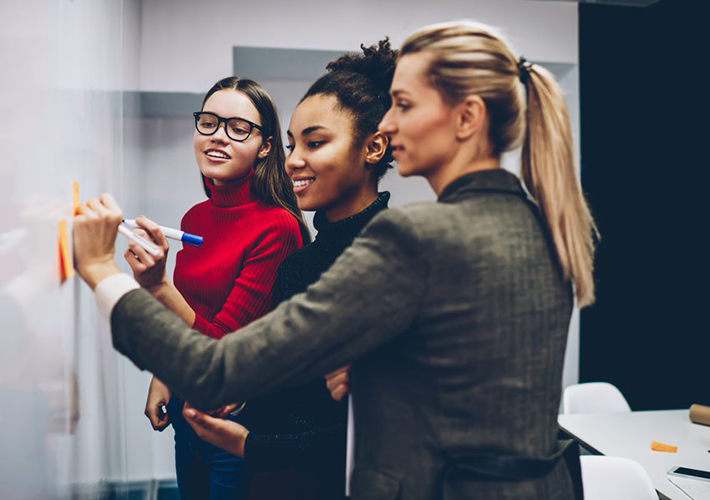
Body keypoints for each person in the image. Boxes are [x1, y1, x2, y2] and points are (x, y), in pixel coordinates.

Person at [73, 20, 597, 500]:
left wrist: (101, 271)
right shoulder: (543, 224)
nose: (389, 124)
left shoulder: (411, 236)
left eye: (405, 106)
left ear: (467, 117)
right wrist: (379, 375)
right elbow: (473, 387)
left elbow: (216, 369)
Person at [211, 40, 394, 500]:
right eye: (293, 143)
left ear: (373, 147)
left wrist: (254, 446)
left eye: (315, 142)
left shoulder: (392, 256)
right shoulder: (303, 261)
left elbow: (374, 427)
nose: (293, 159)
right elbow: (304, 387)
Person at [124, 76, 307, 500]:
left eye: (238, 128)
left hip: (238, 424)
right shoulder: (194, 219)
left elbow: (222, 346)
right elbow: (189, 313)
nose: (218, 136)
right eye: (208, 122)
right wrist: (163, 375)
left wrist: (157, 286)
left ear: (265, 146)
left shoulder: (278, 227)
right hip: (188, 410)